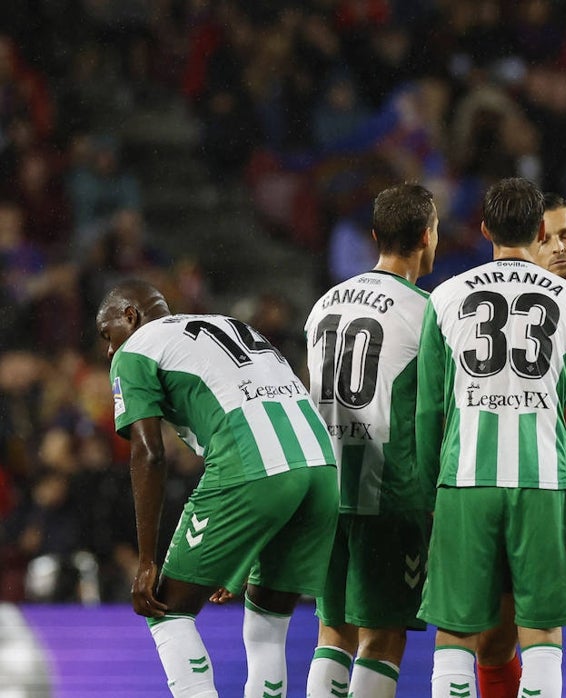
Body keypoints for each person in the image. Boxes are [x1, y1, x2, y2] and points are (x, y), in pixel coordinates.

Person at [99, 279, 338, 698]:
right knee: (267, 626)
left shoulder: (134, 351)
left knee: (165, 608)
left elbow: (149, 454)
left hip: (253, 466)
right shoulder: (228, 323)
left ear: (130, 317)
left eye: (107, 334)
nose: (108, 350)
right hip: (320, 465)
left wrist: (146, 560)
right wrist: (237, 555)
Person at [416, 177, 566, 698]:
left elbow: (429, 410)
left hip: (465, 479)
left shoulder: (446, 297)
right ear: (539, 229)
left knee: (456, 631)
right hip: (545, 482)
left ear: (483, 229)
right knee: (542, 632)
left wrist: (430, 495)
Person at [303, 181, 439, 698]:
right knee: (381, 639)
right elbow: (432, 411)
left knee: (333, 632)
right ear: (428, 237)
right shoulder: (426, 312)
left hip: (329, 486)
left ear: (375, 235)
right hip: (390, 491)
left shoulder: (323, 304)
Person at [471, 190, 566, 698]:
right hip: (528, 490)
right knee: (495, 640)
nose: (560, 246)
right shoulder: (497, 317)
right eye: (552, 235)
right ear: (534, 241)